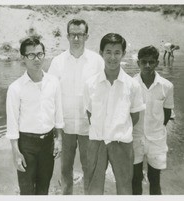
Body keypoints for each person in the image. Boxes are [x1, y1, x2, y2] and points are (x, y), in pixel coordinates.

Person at [83, 33, 146, 195]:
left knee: (125, 187)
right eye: (108, 52)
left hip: (122, 142)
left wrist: (118, 128)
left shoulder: (132, 85)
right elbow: (89, 113)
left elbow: (135, 116)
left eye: (117, 52)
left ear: (123, 54)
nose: (112, 57)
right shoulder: (90, 84)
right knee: (93, 189)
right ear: (101, 53)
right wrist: (102, 129)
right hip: (96, 141)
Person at [48, 19, 104, 195]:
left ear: (86, 36)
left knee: (90, 169)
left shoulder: (97, 61)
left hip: (89, 127)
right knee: (65, 170)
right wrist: (54, 131)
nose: (76, 38)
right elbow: (49, 95)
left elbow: (104, 92)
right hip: (65, 126)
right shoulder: (57, 62)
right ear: (67, 36)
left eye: (80, 34)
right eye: (73, 34)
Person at [6, 37, 64, 195]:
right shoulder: (15, 88)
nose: (36, 59)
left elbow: (58, 113)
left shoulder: (53, 82)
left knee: (43, 189)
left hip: (48, 144)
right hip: (26, 145)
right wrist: (16, 152)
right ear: (23, 58)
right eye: (31, 55)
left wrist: (58, 139)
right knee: (26, 190)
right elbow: (12, 123)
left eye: (40, 54)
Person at [132, 45, 174, 195]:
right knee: (135, 179)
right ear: (138, 63)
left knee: (154, 180)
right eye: (144, 62)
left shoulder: (167, 86)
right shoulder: (130, 85)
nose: (147, 66)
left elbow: (167, 113)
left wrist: (155, 129)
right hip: (135, 138)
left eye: (151, 62)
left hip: (156, 140)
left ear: (157, 63)